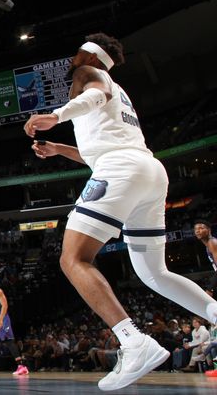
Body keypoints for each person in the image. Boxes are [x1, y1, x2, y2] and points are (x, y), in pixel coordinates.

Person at [25, 33, 217, 390]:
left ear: (93, 58)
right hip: (147, 171)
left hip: (121, 170)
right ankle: (214, 312)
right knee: (154, 273)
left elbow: (98, 96)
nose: (73, 57)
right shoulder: (120, 95)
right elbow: (101, 153)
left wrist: (56, 115)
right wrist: (59, 150)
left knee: (73, 259)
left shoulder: (89, 74)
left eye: (79, 51)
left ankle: (133, 341)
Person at [193, 220, 217, 297]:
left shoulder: (212, 242)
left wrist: (210, 288)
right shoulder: (209, 245)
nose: (197, 231)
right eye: (196, 229)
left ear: (209, 230)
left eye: (201, 228)